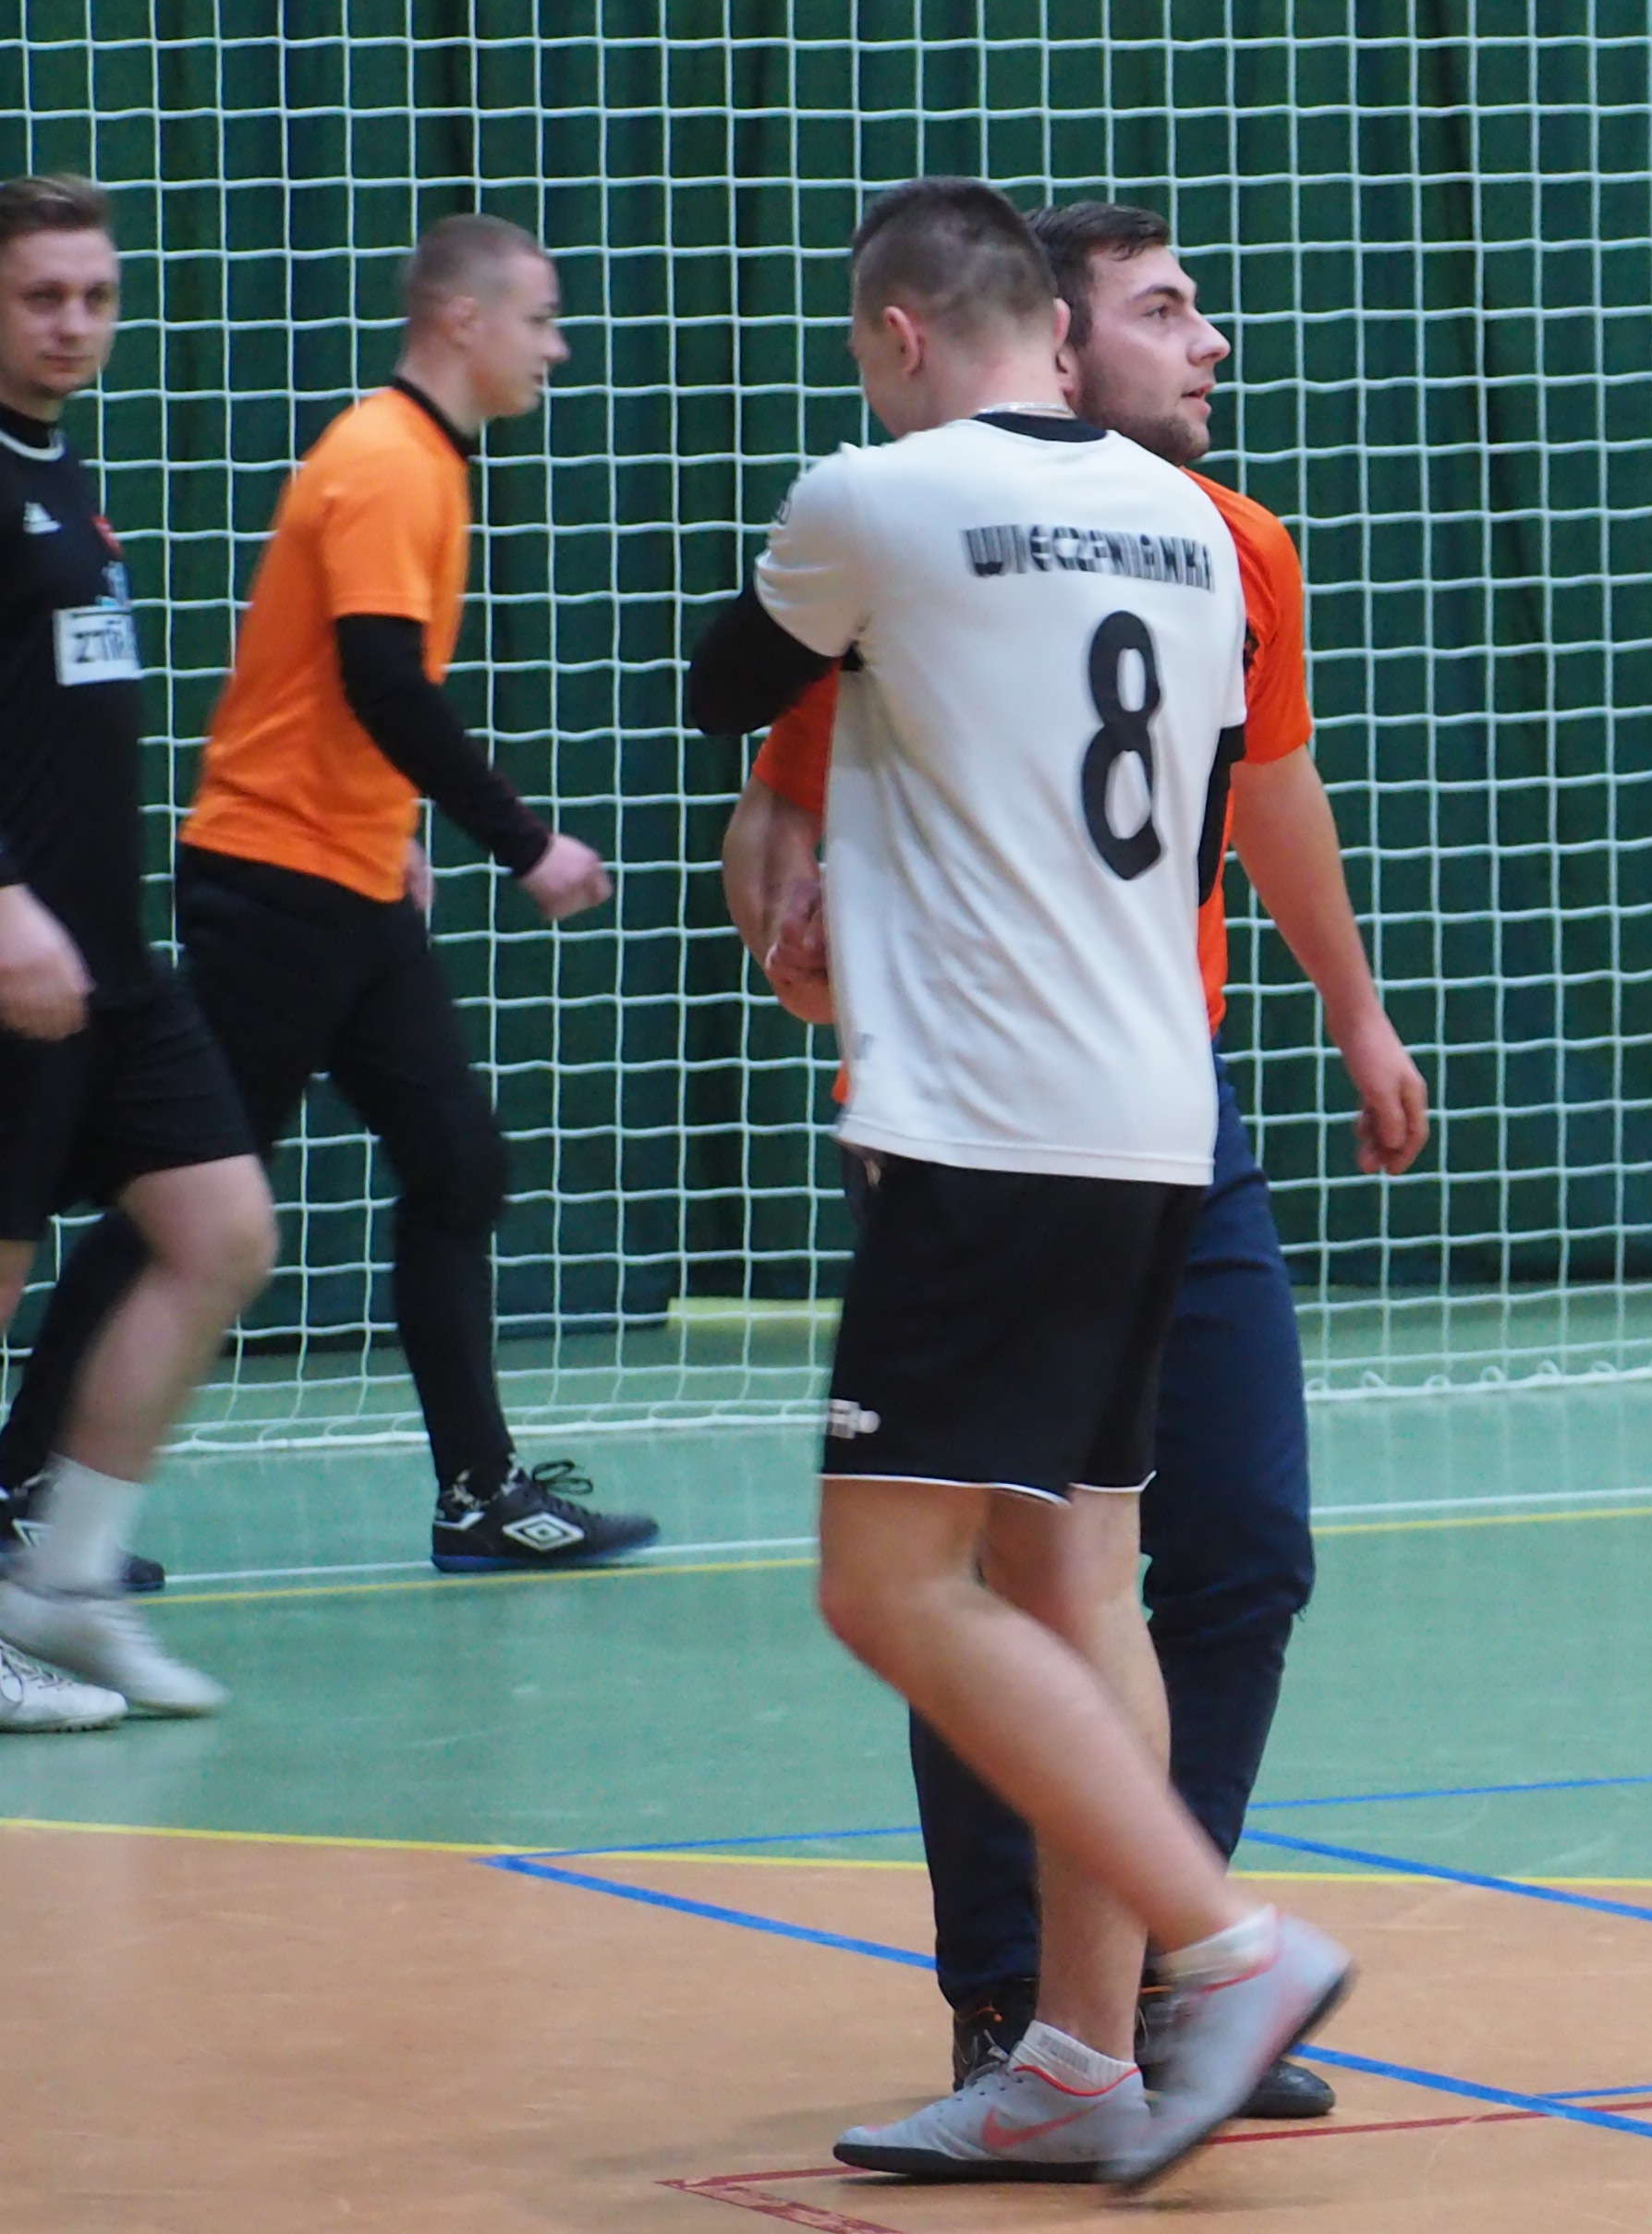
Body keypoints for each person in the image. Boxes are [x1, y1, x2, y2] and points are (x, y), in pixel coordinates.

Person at [720, 199, 1424, 2132]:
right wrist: (800, 897)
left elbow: (1265, 787)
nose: (1209, 343)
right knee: (1041, 1573)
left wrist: (1355, 1010)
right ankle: (1048, 2032)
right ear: (1053, 337)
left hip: (1078, 1113)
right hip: (1068, 1109)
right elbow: (781, 797)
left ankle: (1195, 1974)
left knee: (1038, 1571)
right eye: (1165, 310)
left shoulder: (1159, 532)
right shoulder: (1031, 531)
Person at [0, 214, 651, 1577]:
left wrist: (393, 825)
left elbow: (335, 694)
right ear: (463, 321)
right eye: (539, 321)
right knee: (184, 1201)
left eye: (98, 295)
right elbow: (380, 679)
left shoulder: (421, 460)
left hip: (346, 877)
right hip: (275, 884)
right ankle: (26, 1488)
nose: (556, 349)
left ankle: (477, 1493)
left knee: (456, 1164)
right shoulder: (386, 461)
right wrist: (523, 843)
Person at [0, 173, 275, 1726]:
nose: (73, 323)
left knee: (222, 1230)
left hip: (110, 954)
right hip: (12, 953)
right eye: (42, 295)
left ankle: (66, 1583)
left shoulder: (61, 461)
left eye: (95, 296)